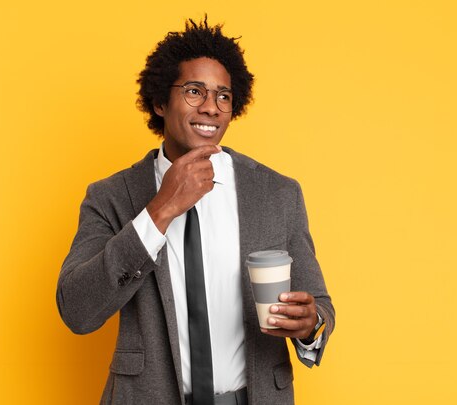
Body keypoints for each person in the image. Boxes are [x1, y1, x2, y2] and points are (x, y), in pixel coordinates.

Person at [57, 17, 335, 405]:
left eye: (223, 96)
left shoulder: (277, 194)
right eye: (194, 91)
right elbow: (78, 311)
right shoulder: (111, 197)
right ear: (159, 101)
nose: (211, 108)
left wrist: (310, 327)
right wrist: (160, 209)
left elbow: (319, 305)